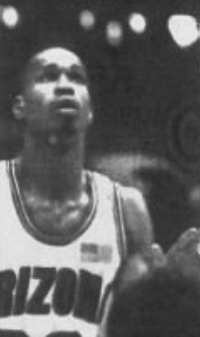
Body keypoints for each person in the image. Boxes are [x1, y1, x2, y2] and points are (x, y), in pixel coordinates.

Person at [0, 45, 155, 337]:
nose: (65, 85)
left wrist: (179, 287)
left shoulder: (126, 211)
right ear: (20, 107)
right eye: (48, 76)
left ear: (90, 111)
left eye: (77, 77)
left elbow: (143, 327)